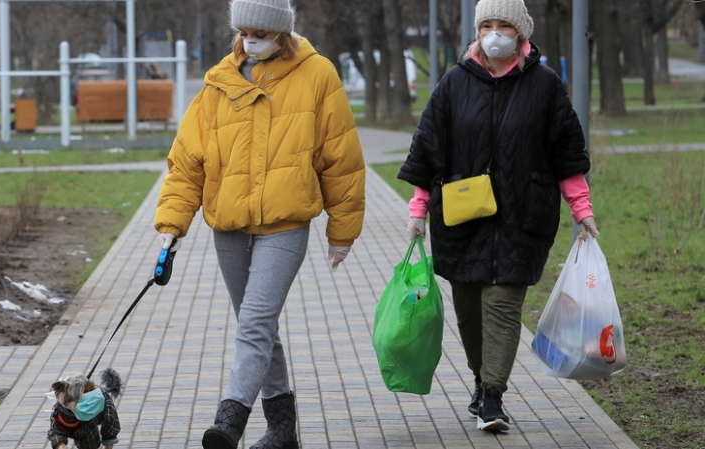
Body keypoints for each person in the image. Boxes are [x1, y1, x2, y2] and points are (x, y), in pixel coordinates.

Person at [153, 0, 366, 447]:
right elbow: (187, 161)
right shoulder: (220, 81)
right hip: (229, 226)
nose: (250, 41)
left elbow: (341, 158)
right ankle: (282, 429)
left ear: (281, 31)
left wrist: (342, 230)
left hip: (285, 224)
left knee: (253, 323)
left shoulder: (317, 74)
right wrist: (172, 225)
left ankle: (229, 420)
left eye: (261, 33)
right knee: (259, 327)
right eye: (244, 32)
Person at [397, 0, 599, 433]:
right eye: (486, 25)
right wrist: (417, 210)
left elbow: (567, 153)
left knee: (503, 305)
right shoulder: (454, 83)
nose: (494, 34)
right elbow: (428, 148)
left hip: (522, 216)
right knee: (469, 311)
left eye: (503, 26)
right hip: (461, 219)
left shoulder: (544, 85)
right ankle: (480, 379)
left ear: (520, 32)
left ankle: (492, 396)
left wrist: (581, 210)